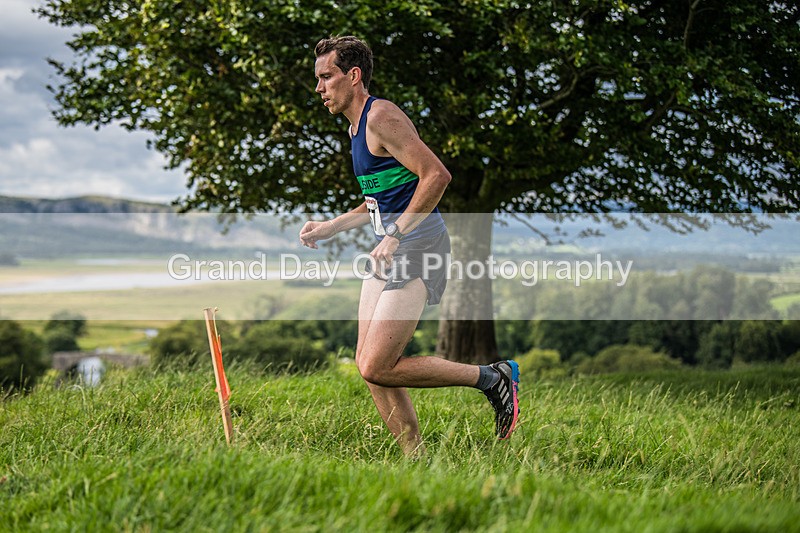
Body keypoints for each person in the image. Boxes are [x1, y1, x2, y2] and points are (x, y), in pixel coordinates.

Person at [300, 36, 520, 455]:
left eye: (326, 77)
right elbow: (378, 200)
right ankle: (414, 460)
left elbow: (436, 176)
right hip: (393, 248)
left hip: (420, 246)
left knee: (375, 364)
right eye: (318, 79)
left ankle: (493, 378)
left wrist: (395, 234)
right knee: (371, 367)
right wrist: (333, 226)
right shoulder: (354, 128)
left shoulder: (380, 115)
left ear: (353, 75)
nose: (319, 88)